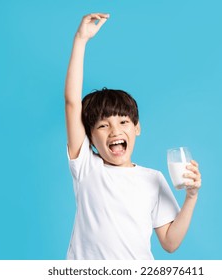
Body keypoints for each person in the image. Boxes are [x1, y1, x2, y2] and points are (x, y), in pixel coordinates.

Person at [64, 13, 202, 260]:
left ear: (137, 127)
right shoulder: (86, 167)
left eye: (123, 122)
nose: (115, 131)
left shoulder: (153, 179)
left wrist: (191, 196)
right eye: (103, 126)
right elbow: (72, 103)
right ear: (90, 137)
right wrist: (81, 40)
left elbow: (170, 243)